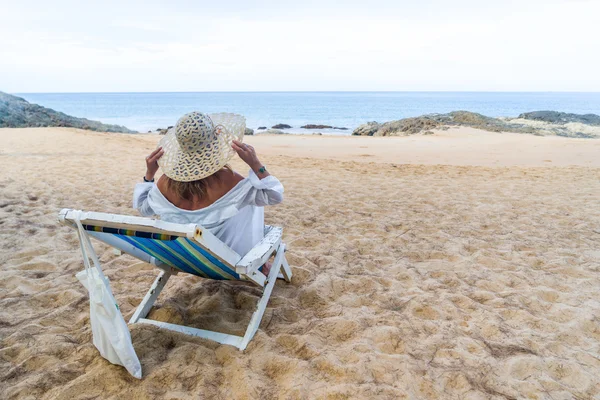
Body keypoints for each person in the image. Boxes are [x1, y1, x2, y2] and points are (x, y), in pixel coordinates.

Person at [132, 112, 284, 274]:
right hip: (232, 262)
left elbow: (143, 208)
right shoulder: (231, 182)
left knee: (248, 196)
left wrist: (149, 175)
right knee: (253, 198)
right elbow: (274, 195)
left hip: (186, 260)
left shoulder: (164, 183)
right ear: (215, 143)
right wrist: (255, 164)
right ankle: (260, 262)